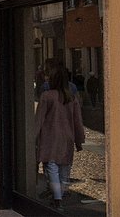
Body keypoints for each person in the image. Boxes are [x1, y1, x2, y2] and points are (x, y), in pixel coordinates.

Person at [36, 66, 84, 211]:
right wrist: (79, 140)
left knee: (52, 167)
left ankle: (57, 199)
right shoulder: (71, 98)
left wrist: (33, 137)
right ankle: (60, 196)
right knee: (64, 168)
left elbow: (39, 120)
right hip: (67, 138)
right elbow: (78, 121)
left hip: (50, 137)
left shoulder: (47, 96)